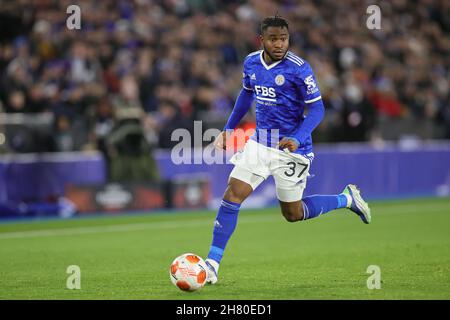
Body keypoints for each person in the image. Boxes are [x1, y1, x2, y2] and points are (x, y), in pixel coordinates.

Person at [204, 16, 371, 284]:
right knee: (233, 193)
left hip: (293, 148)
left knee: (293, 214)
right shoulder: (251, 62)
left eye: (283, 39)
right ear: (262, 40)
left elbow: (317, 108)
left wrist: (297, 136)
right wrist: (229, 128)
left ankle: (347, 199)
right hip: (261, 141)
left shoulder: (299, 69)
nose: (279, 44)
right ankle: (212, 264)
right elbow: (246, 93)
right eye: (273, 39)